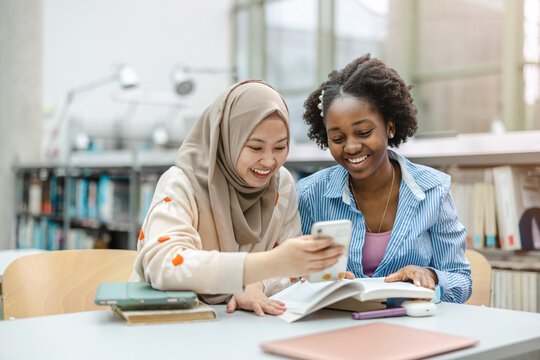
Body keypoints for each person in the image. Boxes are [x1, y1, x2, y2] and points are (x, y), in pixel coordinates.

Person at [131, 80, 344, 316]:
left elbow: (288, 269)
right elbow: (165, 263)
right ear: (227, 138)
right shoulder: (181, 183)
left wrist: (261, 283)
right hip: (166, 326)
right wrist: (255, 271)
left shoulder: (281, 183)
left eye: (280, 147)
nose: (269, 161)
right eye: (255, 147)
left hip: (242, 330)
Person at [296, 54, 472, 303]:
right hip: (339, 327)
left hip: (409, 328)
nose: (352, 147)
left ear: (389, 127)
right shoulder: (309, 193)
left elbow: (462, 281)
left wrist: (430, 275)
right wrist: (308, 279)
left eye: (364, 132)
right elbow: (289, 276)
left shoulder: (434, 189)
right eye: (337, 138)